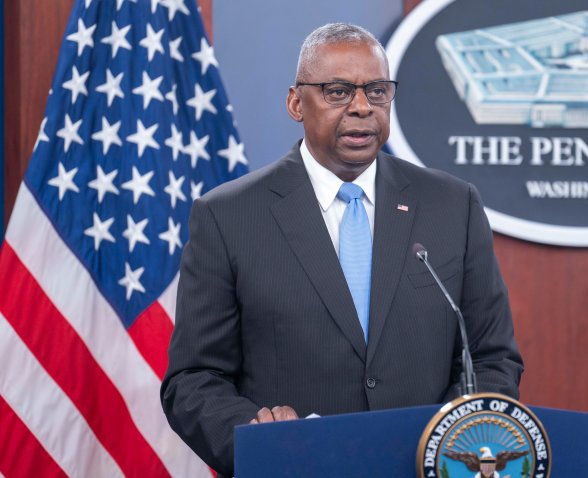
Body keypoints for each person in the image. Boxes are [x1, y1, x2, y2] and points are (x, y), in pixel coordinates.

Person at [161, 23, 523, 477]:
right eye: (337, 91)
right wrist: (256, 433)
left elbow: (491, 358)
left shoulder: (452, 206)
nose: (361, 107)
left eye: (377, 90)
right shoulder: (229, 215)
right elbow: (193, 380)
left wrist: (447, 447)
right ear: (296, 102)